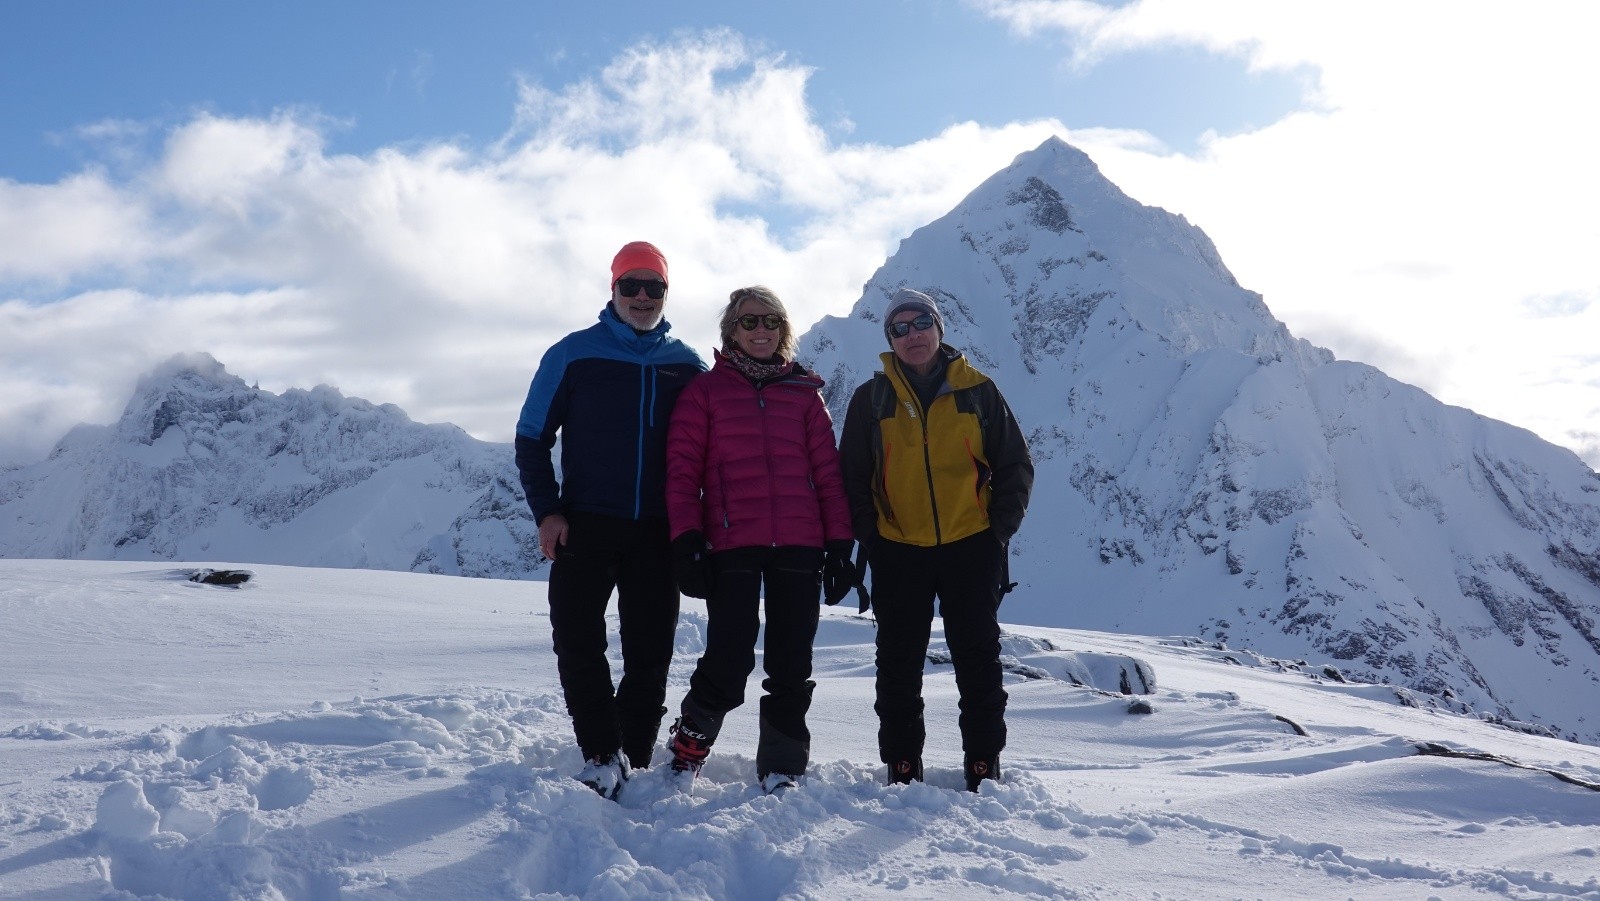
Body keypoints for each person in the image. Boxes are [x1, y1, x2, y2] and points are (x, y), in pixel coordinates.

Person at [514, 240, 708, 800]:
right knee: (577, 639)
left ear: (666, 293)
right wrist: (548, 511)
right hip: (586, 523)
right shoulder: (572, 354)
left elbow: (707, 452)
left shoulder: (686, 364)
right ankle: (601, 754)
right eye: (632, 285)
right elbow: (531, 438)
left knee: (651, 649)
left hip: (657, 529)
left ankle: (636, 755)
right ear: (614, 289)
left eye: (654, 287)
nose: (642, 297)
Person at [662, 285, 856, 795]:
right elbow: (682, 474)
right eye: (749, 322)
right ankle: (687, 751)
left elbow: (828, 476)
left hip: (800, 543)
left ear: (783, 330)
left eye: (770, 321)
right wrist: (686, 540)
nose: (761, 330)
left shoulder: (805, 395)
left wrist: (839, 546)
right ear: (731, 332)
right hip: (732, 543)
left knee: (791, 665)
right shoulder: (705, 392)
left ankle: (783, 771)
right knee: (728, 660)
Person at [839, 287, 1033, 792]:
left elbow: (1015, 464)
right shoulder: (872, 398)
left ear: (939, 329)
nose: (911, 335)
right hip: (899, 549)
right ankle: (902, 764)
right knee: (898, 666)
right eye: (898, 328)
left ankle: (983, 765)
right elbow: (851, 477)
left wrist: (997, 533)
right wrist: (873, 537)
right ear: (890, 341)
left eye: (919, 323)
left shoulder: (978, 391)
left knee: (979, 663)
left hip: (971, 544)